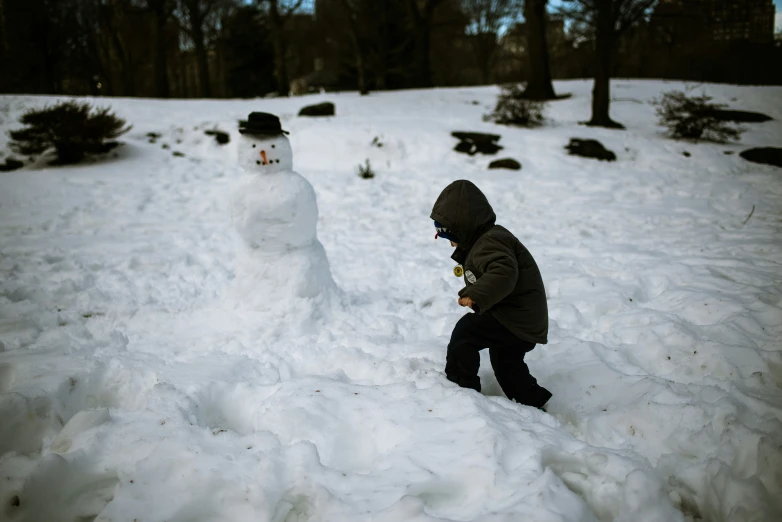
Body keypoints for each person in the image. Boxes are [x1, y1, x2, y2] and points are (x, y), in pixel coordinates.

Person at [431, 180, 552, 409]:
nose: (451, 245)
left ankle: (460, 388)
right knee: (506, 361)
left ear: (463, 226)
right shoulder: (486, 239)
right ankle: (532, 402)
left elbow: (504, 272)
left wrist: (476, 294)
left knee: (466, 333)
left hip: (515, 317)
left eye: (450, 237)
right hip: (523, 318)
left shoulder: (490, 242)